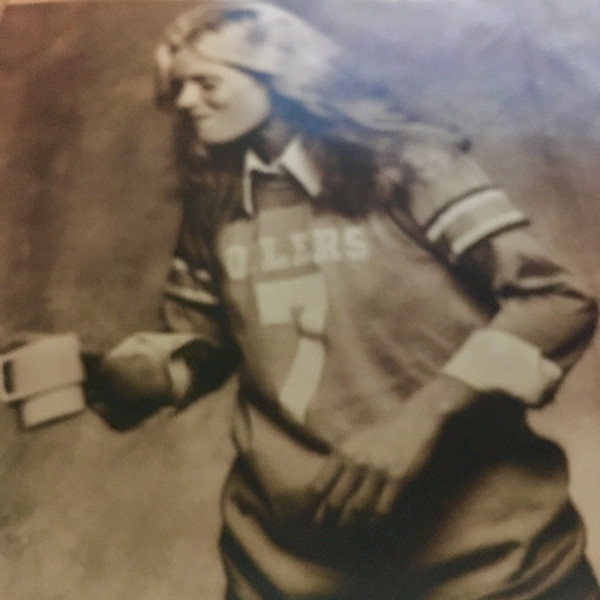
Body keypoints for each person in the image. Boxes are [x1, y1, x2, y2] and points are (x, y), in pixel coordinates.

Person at [96, 2, 599, 598]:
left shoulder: (408, 166)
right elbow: (198, 344)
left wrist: (421, 418)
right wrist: (121, 374)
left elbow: (558, 301)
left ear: (280, 79)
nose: (184, 102)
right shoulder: (216, 203)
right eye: (177, 87)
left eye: (207, 82)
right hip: (282, 571)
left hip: (495, 567)